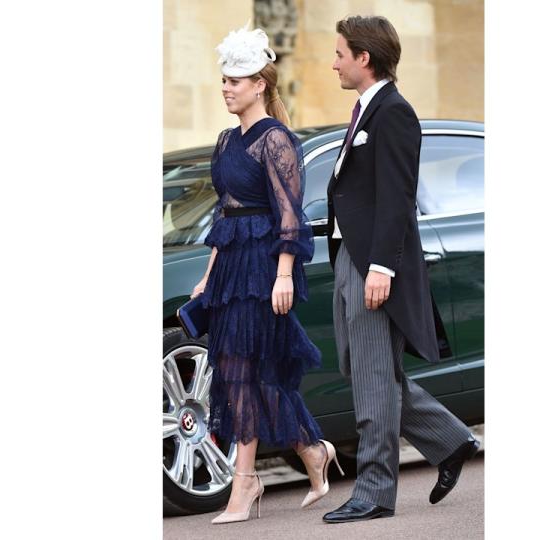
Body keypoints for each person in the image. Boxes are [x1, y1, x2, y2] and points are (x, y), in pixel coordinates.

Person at [322, 15, 480, 523]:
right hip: (349, 256)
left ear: (364, 58)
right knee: (362, 369)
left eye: (341, 53)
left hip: (373, 262)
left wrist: (381, 269)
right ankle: (451, 440)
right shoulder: (365, 109)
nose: (334, 62)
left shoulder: (393, 113)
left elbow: (396, 199)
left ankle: (374, 491)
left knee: (372, 377)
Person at [191, 25, 343, 525]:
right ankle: (311, 451)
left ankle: (246, 482)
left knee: (247, 371)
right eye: (224, 79)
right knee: (243, 372)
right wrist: (208, 276)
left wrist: (283, 275)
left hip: (264, 269)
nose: (226, 87)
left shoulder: (275, 139)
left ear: (260, 84)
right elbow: (224, 214)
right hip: (232, 268)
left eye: (236, 79)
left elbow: (289, 215)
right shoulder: (225, 140)